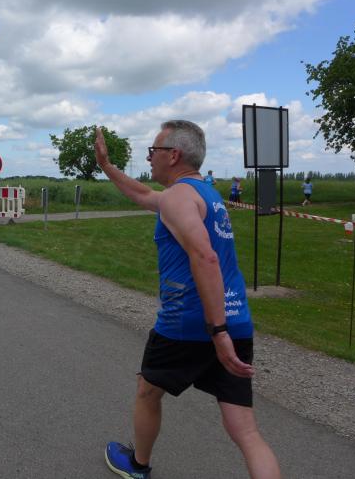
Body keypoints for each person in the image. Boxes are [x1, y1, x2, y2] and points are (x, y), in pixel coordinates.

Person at [94, 121, 280, 479]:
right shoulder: (204, 194)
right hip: (235, 319)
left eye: (153, 150)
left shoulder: (178, 197)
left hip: (190, 323)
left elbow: (205, 257)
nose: (149, 158)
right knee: (246, 431)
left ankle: (138, 465)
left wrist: (217, 331)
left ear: (173, 155)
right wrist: (106, 166)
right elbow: (143, 195)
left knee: (148, 391)